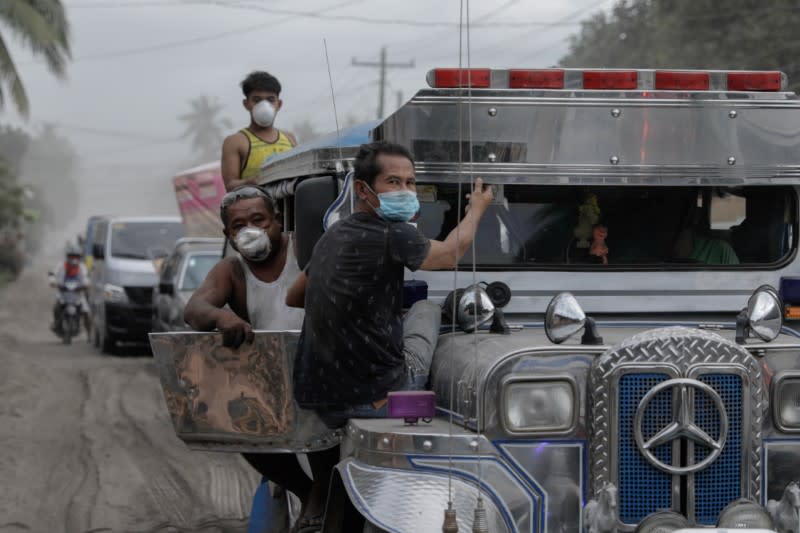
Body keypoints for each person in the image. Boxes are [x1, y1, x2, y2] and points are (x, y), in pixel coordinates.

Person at [285, 141, 493, 527]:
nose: (406, 192)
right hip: (376, 397)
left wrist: (358, 305)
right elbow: (448, 255)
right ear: (363, 190)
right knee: (427, 308)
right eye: (393, 182)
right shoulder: (394, 234)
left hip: (319, 398)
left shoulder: (332, 236)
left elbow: (295, 296)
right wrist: (477, 209)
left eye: (412, 183)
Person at [182, 185, 314, 530]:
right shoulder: (233, 270)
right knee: (242, 430)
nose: (251, 230)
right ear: (228, 234)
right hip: (271, 387)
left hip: (320, 377)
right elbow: (195, 308)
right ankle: (306, 492)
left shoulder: (305, 247)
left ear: (277, 220)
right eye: (240, 226)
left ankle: (320, 502)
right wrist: (222, 317)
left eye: (259, 219)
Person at [221, 71, 298, 191]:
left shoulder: (290, 138)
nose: (264, 105)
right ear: (246, 104)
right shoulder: (235, 142)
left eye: (270, 99)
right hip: (255, 208)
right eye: (256, 100)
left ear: (279, 104)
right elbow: (230, 186)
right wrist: (251, 182)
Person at [50, 244, 91, 339]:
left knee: (86, 313)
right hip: (63, 293)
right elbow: (52, 273)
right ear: (67, 257)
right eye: (72, 256)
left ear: (79, 257)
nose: (74, 259)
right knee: (56, 307)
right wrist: (52, 281)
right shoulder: (61, 265)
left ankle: (89, 334)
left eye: (76, 256)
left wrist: (86, 284)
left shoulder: (82, 267)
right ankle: (57, 324)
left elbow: (86, 278)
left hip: (78, 294)